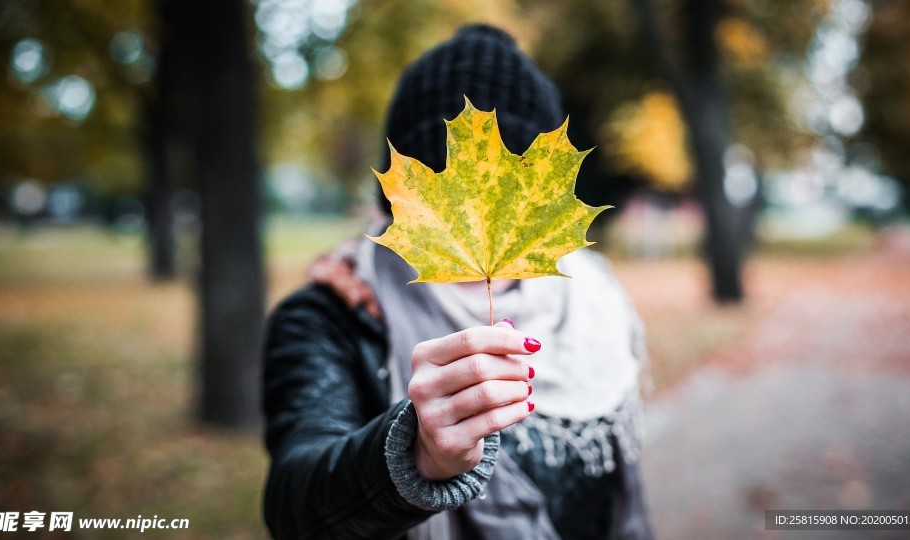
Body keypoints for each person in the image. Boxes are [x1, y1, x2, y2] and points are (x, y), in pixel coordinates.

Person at [262, 24, 655, 540]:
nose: (482, 217)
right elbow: (297, 505)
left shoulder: (593, 296)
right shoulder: (332, 316)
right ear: (399, 201)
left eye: (510, 194)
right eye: (450, 201)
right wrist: (415, 457)